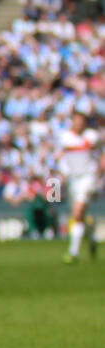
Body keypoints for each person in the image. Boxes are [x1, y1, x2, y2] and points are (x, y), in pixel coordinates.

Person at [57, 110, 101, 263]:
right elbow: (61, 158)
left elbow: (101, 155)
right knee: (78, 217)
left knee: (77, 213)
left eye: (82, 121)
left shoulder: (92, 136)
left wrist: (99, 175)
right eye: (76, 120)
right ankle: (92, 236)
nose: (79, 123)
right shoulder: (65, 137)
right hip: (72, 180)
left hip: (88, 178)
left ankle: (73, 252)